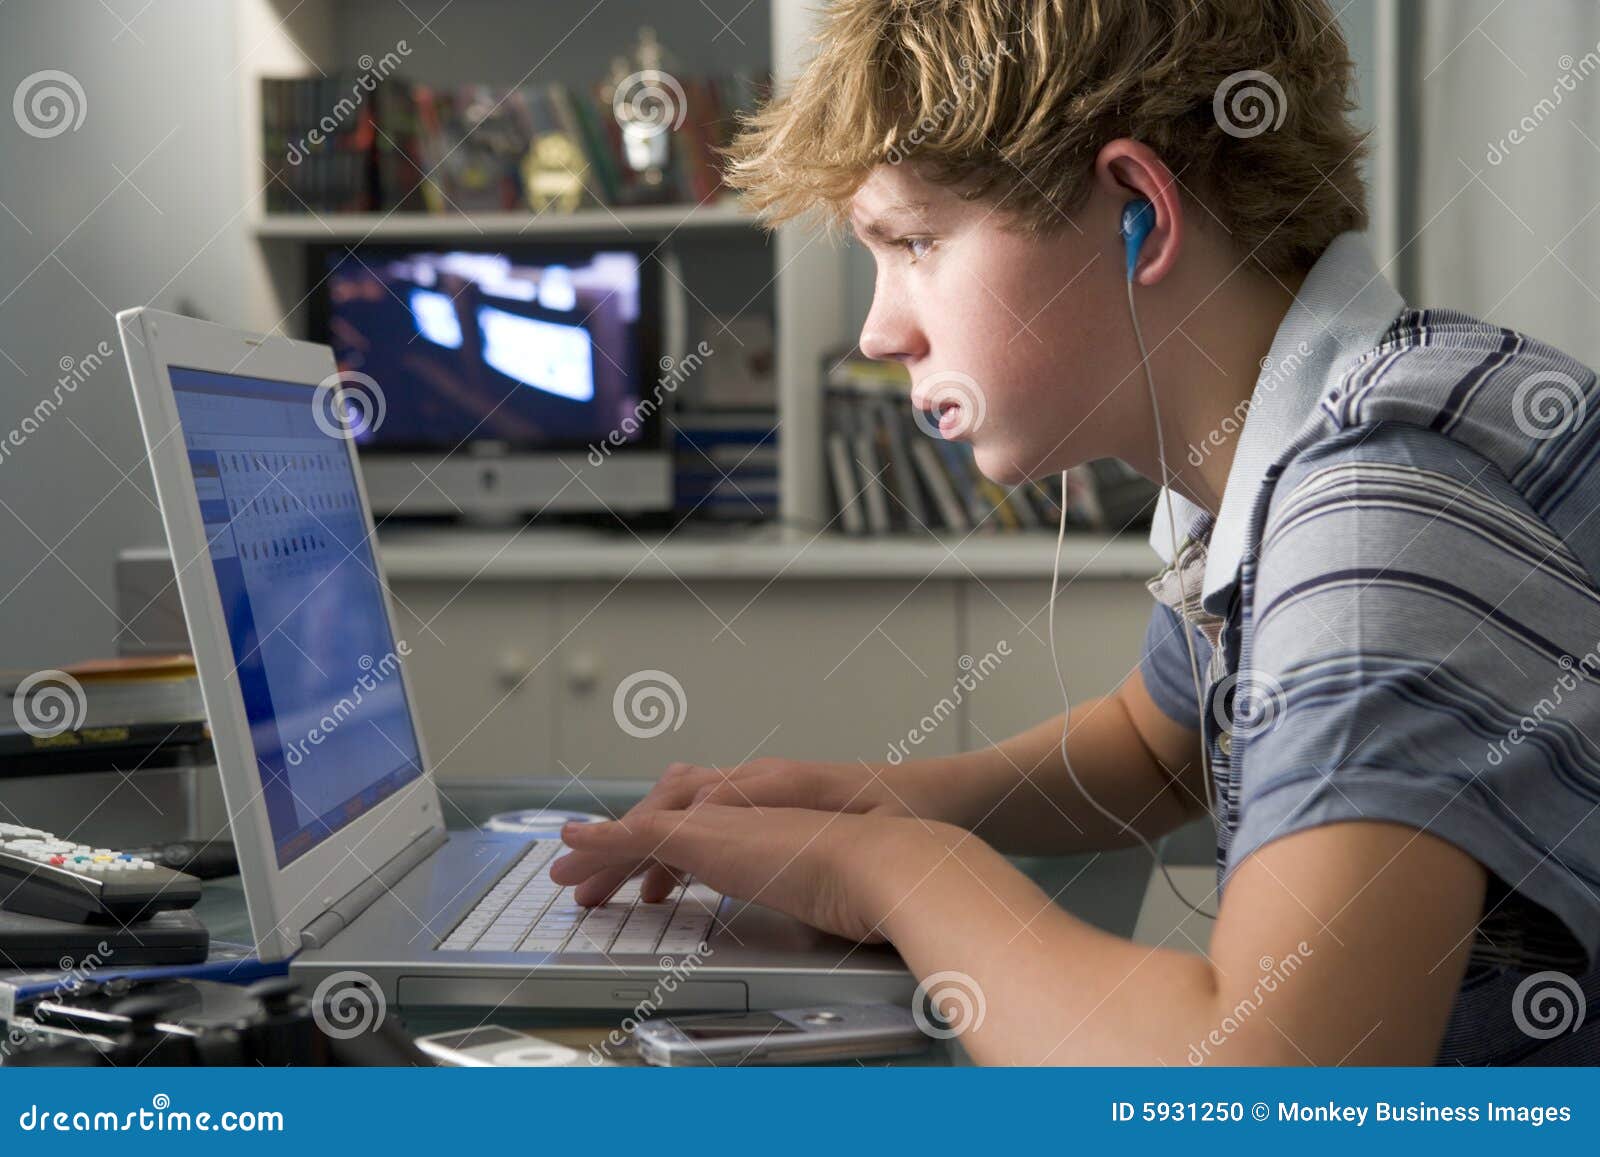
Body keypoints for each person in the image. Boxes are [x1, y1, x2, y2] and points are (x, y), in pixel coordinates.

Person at [553, 0, 1600, 1064]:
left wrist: (891, 869)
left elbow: (1258, 1093)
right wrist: (874, 799)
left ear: (1139, 211)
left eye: (914, 241)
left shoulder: (1375, 524)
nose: (877, 331)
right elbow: (1158, 748)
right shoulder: (1291, 440)